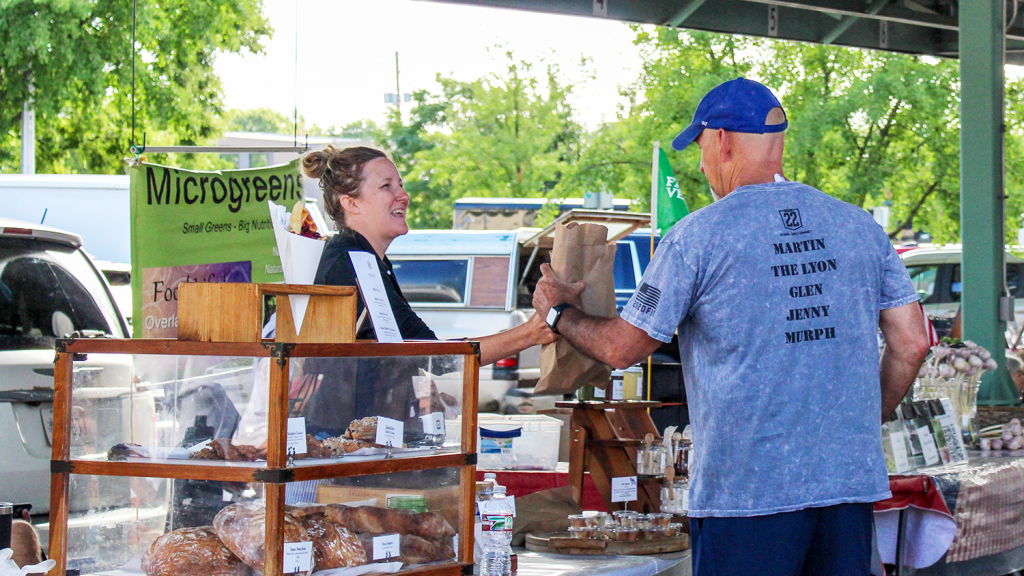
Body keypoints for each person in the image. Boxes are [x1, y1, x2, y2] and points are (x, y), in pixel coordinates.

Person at [532, 78, 931, 575]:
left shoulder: (698, 237)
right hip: (847, 486)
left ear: (720, 139)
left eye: (700, 146)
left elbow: (622, 348)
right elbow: (912, 344)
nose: (701, 164)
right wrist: (860, 424)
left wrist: (557, 313)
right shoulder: (859, 227)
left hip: (746, 497)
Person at [294, 146, 556, 436]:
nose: (402, 195)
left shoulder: (367, 259)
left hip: (359, 436)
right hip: (342, 440)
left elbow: (417, 351)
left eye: (401, 185)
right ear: (351, 203)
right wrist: (530, 333)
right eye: (386, 186)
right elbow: (432, 354)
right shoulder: (351, 262)